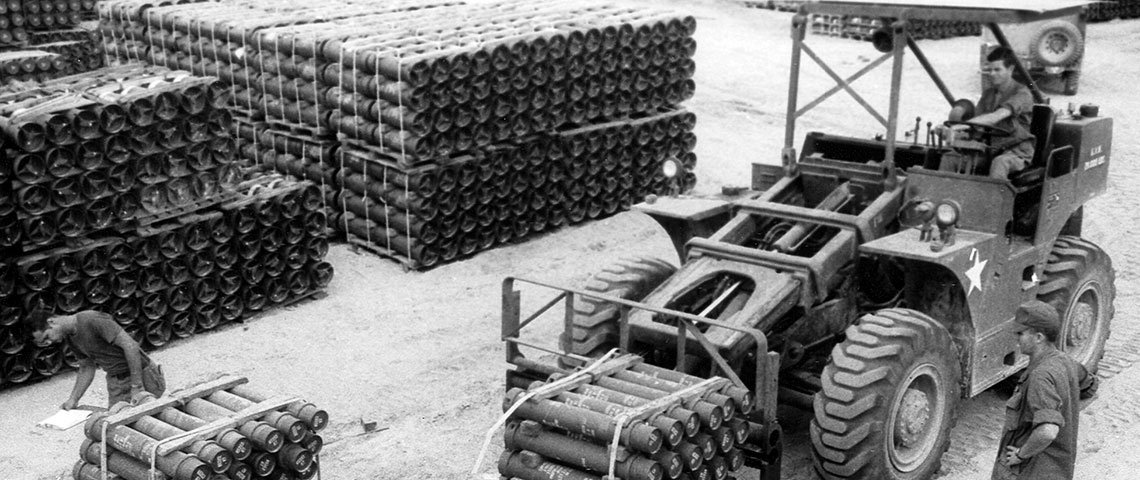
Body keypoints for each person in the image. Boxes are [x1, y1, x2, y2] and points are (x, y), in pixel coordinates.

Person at [991, 300, 1097, 480]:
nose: (1016, 339)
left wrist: (1021, 454)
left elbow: (1048, 431)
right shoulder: (1066, 361)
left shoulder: (1040, 376)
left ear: (1039, 337)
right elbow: (1090, 389)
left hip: (1028, 472)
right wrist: (1066, 413)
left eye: (1021, 333)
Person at [27, 309, 165, 409]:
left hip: (142, 374)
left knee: (153, 422)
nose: (49, 342)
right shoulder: (70, 337)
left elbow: (130, 346)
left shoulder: (92, 320)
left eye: (47, 337)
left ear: (51, 321)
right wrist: (73, 400)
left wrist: (137, 386)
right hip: (116, 380)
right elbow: (86, 367)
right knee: (118, 426)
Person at [939, 46, 1036, 179]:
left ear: (1010, 69)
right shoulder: (989, 94)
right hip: (990, 150)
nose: (992, 74)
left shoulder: (1022, 94)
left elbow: (996, 117)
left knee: (1000, 163)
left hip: (1016, 151)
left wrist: (959, 126)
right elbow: (978, 122)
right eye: (989, 70)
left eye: (997, 69)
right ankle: (941, 197)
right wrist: (950, 132)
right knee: (950, 158)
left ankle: (994, 200)